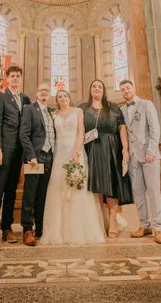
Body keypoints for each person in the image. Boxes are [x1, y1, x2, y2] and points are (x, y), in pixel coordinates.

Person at [42, 89, 106, 245]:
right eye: (59, 97)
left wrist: (76, 152)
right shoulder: (54, 115)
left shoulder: (77, 111)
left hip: (75, 153)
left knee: (77, 190)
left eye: (65, 96)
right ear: (57, 100)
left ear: (69, 98)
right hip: (59, 155)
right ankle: (59, 231)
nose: (63, 98)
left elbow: (81, 132)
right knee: (58, 190)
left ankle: (79, 230)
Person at [0, 65, 31, 250]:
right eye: (12, 76)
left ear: (21, 78)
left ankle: (7, 227)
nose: (15, 79)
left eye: (17, 76)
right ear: (6, 78)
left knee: (11, 191)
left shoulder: (25, 98)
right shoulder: (0, 97)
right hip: (4, 150)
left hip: (19, 152)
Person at [80, 79, 132, 238]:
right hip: (91, 150)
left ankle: (113, 219)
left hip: (111, 148)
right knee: (95, 184)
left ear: (103, 91)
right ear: (90, 90)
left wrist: (125, 147)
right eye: (94, 86)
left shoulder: (113, 107)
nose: (97, 88)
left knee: (111, 184)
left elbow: (122, 127)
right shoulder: (82, 108)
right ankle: (100, 219)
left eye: (100, 86)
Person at [119, 80, 161, 244]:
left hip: (149, 156)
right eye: (123, 89)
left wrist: (151, 151)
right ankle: (144, 225)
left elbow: (155, 129)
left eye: (128, 88)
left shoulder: (147, 104)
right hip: (133, 158)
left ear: (134, 88)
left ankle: (158, 228)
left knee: (153, 192)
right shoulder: (122, 110)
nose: (125, 91)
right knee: (138, 193)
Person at [19, 83, 55, 246]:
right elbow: (24, 134)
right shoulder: (29, 109)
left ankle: (40, 227)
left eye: (47, 91)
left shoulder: (51, 112)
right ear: (36, 93)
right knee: (30, 194)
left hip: (50, 157)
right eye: (41, 90)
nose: (44, 93)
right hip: (35, 157)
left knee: (43, 194)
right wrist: (31, 155)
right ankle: (27, 229)